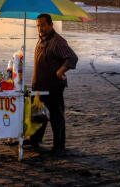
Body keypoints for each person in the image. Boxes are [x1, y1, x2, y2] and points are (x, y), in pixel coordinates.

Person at [30, 13, 78, 156]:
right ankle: (34, 140)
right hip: (39, 86)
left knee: (56, 117)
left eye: (43, 25)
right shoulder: (41, 40)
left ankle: (59, 147)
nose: (40, 28)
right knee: (38, 114)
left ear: (51, 25)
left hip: (53, 86)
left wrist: (60, 71)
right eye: (38, 25)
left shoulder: (58, 41)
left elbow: (72, 58)